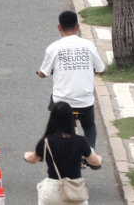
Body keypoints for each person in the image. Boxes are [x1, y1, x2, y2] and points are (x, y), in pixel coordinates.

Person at [37, 10, 106, 148]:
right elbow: (101, 70)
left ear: (59, 28)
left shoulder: (54, 48)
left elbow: (43, 73)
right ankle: (90, 153)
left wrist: (40, 72)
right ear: (78, 27)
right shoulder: (89, 46)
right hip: (84, 101)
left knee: (56, 122)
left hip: (62, 102)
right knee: (89, 126)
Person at [24, 101, 101, 205]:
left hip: (52, 191)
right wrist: (99, 158)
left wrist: (26, 155)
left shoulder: (46, 141)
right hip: (75, 190)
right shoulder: (81, 141)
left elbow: (32, 159)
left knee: (43, 191)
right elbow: (94, 162)